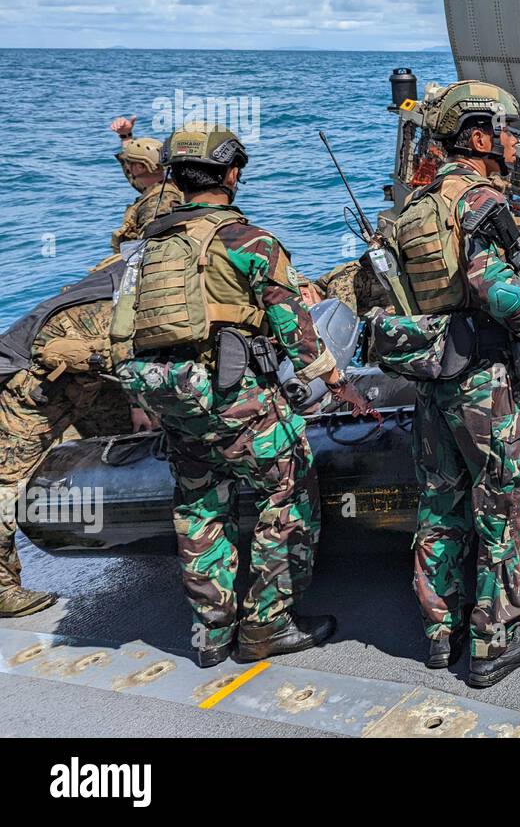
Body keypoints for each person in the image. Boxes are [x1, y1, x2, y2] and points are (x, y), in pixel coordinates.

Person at [111, 124, 373, 668]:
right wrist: (338, 384)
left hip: (171, 398)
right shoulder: (249, 242)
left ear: (178, 179)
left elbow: (120, 330)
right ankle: (267, 626)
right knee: (289, 491)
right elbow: (294, 327)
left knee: (200, 505)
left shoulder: (146, 248)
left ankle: (211, 634)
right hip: (237, 398)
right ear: (232, 174)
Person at [379, 80, 520, 686]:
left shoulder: (418, 206)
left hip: (434, 375)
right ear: (479, 136)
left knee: (439, 501)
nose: (512, 141)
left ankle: (441, 632)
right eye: (505, 129)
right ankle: (493, 641)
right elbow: (496, 289)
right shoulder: (481, 202)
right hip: (484, 379)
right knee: (503, 499)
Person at [0, 267, 128, 617]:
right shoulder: (146, 300)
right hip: (32, 384)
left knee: (129, 442)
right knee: (6, 482)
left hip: (90, 381)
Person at [108, 116, 184, 251]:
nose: (127, 167)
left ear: (141, 168)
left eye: (130, 163)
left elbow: (154, 247)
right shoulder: (160, 188)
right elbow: (131, 175)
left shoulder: (160, 202)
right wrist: (126, 136)